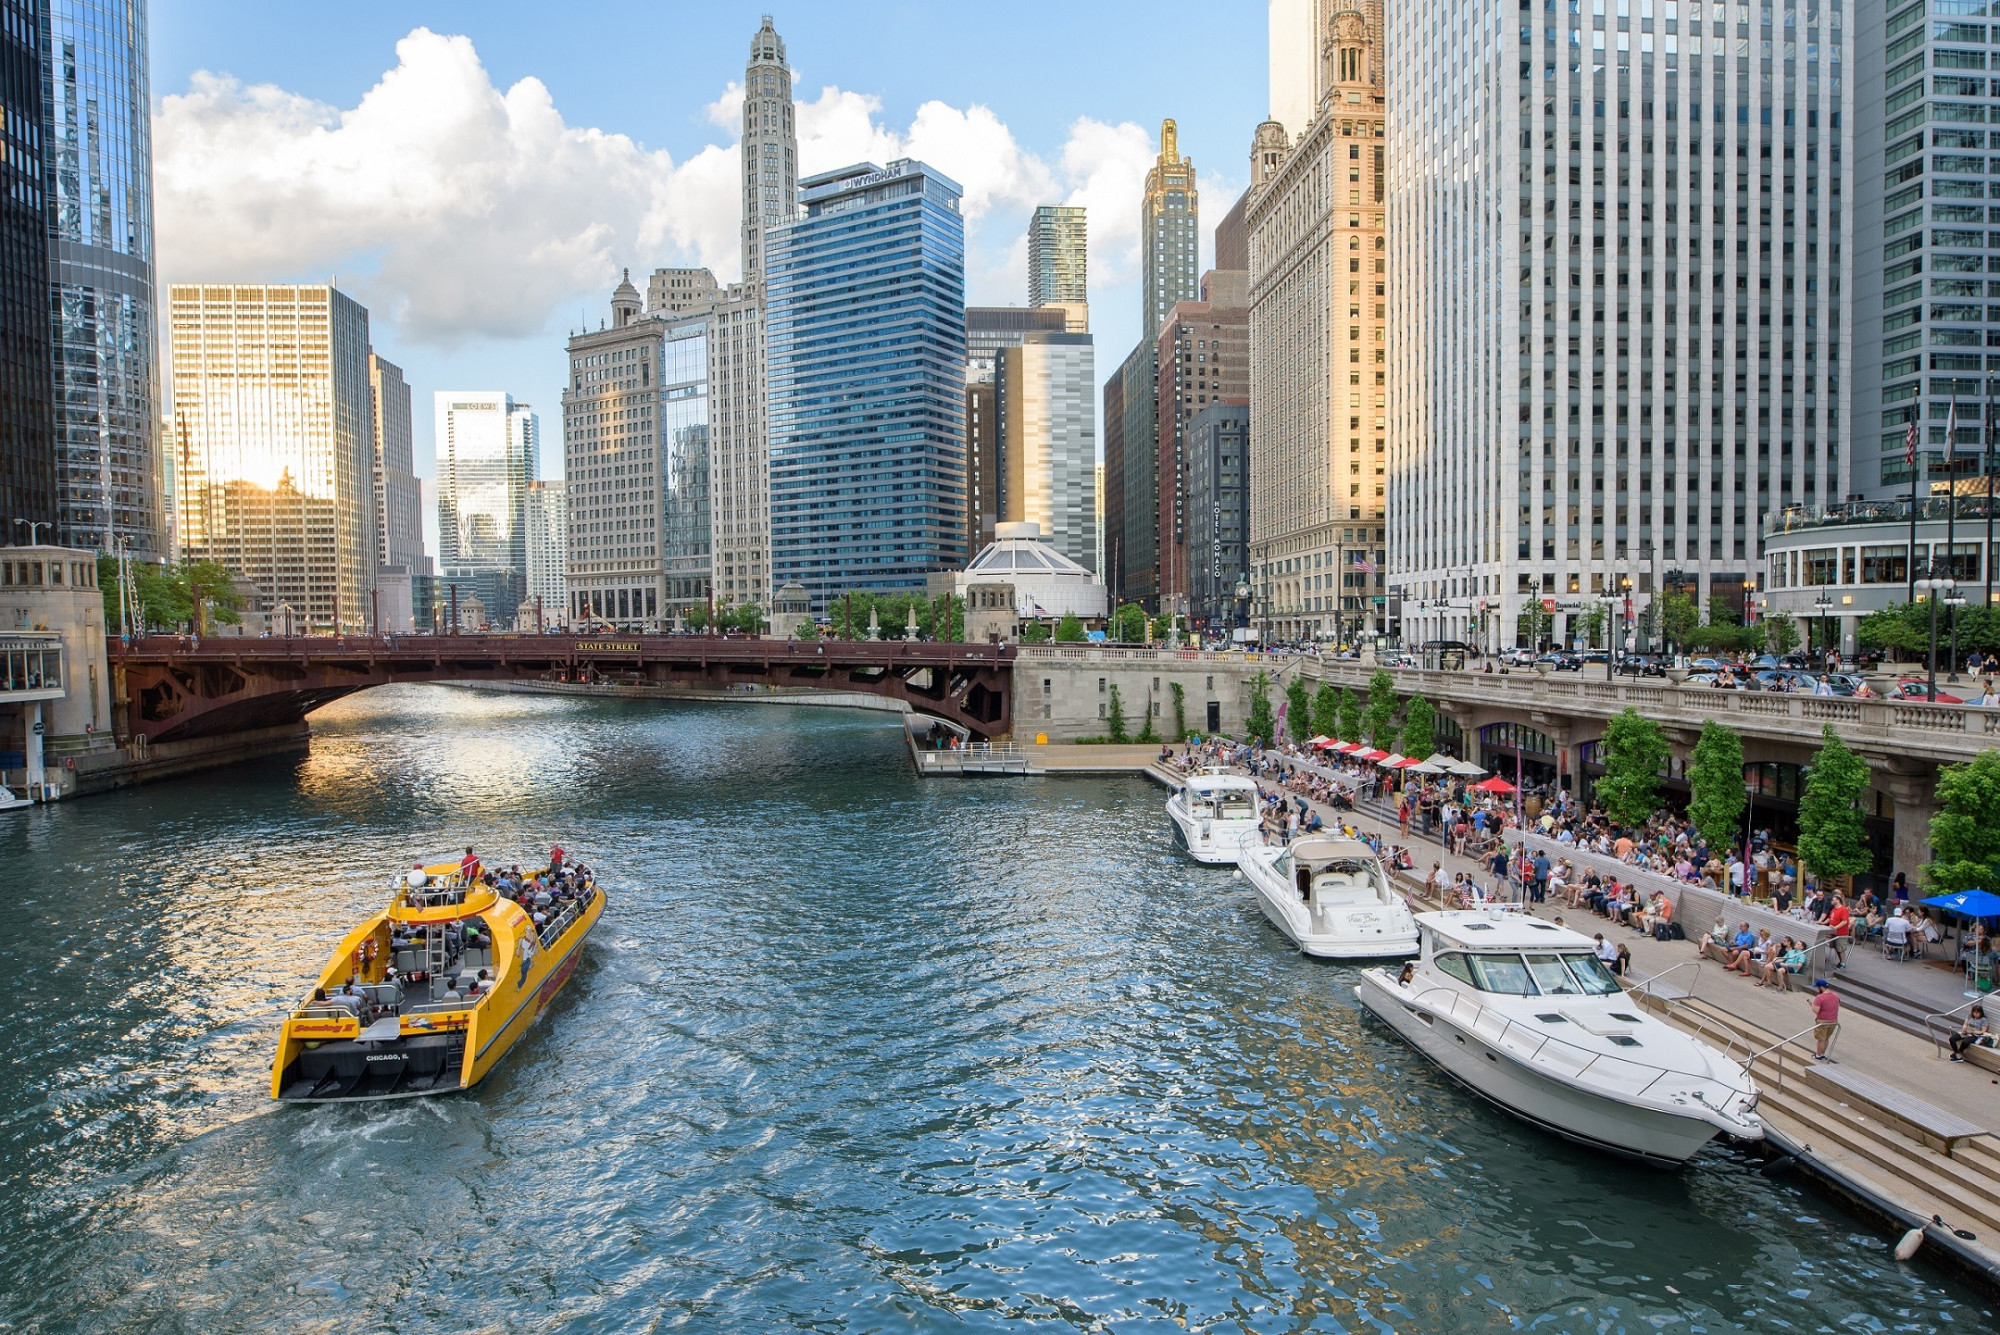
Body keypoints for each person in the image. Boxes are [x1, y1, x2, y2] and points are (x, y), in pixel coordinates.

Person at [1809, 979, 1841, 1061]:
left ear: (1821, 987)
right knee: (1826, 1038)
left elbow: (1816, 1010)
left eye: (1817, 988)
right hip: (1833, 1021)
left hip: (1822, 1022)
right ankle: (1822, 1054)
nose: (1817, 989)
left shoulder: (1819, 997)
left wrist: (1812, 1005)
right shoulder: (1835, 995)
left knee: (1821, 1039)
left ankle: (1818, 1055)